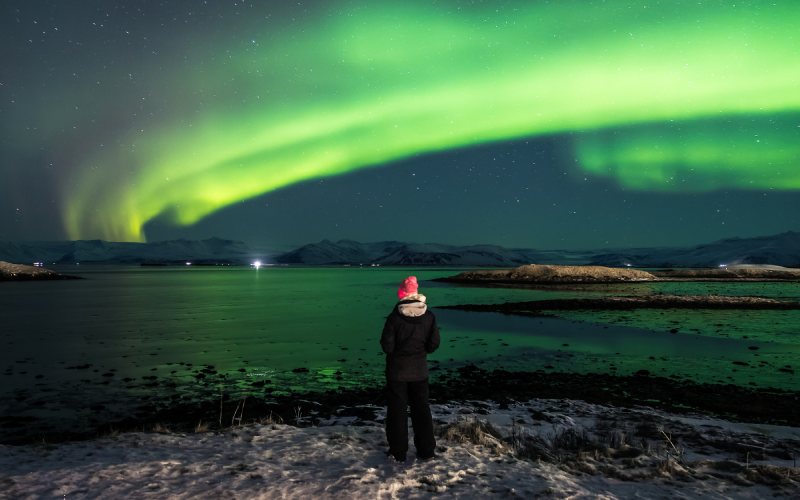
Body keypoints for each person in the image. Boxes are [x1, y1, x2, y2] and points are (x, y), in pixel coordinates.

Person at [380, 276, 440, 462]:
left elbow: (387, 346)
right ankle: (426, 451)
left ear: (403, 293)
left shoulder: (394, 317)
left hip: (397, 372)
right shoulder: (429, 316)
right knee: (421, 410)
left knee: (397, 412)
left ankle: (398, 452)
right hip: (420, 371)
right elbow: (433, 344)